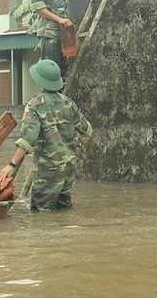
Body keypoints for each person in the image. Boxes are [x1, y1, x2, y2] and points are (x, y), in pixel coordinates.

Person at [5, 59, 93, 211]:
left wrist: (11, 165)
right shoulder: (69, 103)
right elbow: (87, 130)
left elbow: (27, 140)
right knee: (63, 212)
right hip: (68, 169)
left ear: (39, 81)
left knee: (42, 219)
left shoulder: (34, 105)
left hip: (48, 172)